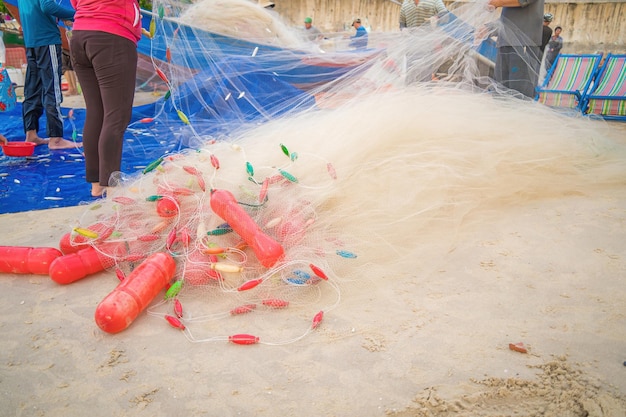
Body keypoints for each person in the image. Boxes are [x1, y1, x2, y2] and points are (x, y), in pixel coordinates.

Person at [69, 0, 142, 197]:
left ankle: (97, 184)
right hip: (111, 36)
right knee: (116, 116)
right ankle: (112, 188)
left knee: (96, 111)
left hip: (80, 35)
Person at [17, 0, 79, 149]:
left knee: (32, 90)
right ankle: (56, 138)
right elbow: (47, 6)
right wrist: (77, 15)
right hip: (46, 39)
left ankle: (31, 133)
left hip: (32, 41)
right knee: (52, 89)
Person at [487, 0, 544, 98]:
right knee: (499, 91)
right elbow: (507, 19)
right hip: (505, 43)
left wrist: (498, 2)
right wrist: (488, 28)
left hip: (523, 43)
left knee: (518, 94)